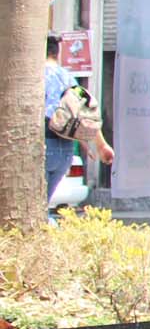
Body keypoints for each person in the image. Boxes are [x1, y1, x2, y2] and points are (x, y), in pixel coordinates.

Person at [43, 35, 112, 205]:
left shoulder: (32, 77)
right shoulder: (69, 79)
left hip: (42, 145)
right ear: (57, 54)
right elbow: (85, 112)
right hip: (65, 151)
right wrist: (100, 145)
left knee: (33, 205)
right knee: (42, 204)